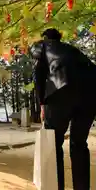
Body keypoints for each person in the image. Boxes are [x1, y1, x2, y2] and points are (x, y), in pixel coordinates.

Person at [30, 28, 96, 190]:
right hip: (91, 93)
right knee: (79, 143)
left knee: (54, 143)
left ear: (45, 37)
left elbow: (38, 73)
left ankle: (56, 187)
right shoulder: (73, 50)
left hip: (61, 92)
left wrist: (42, 103)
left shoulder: (43, 46)